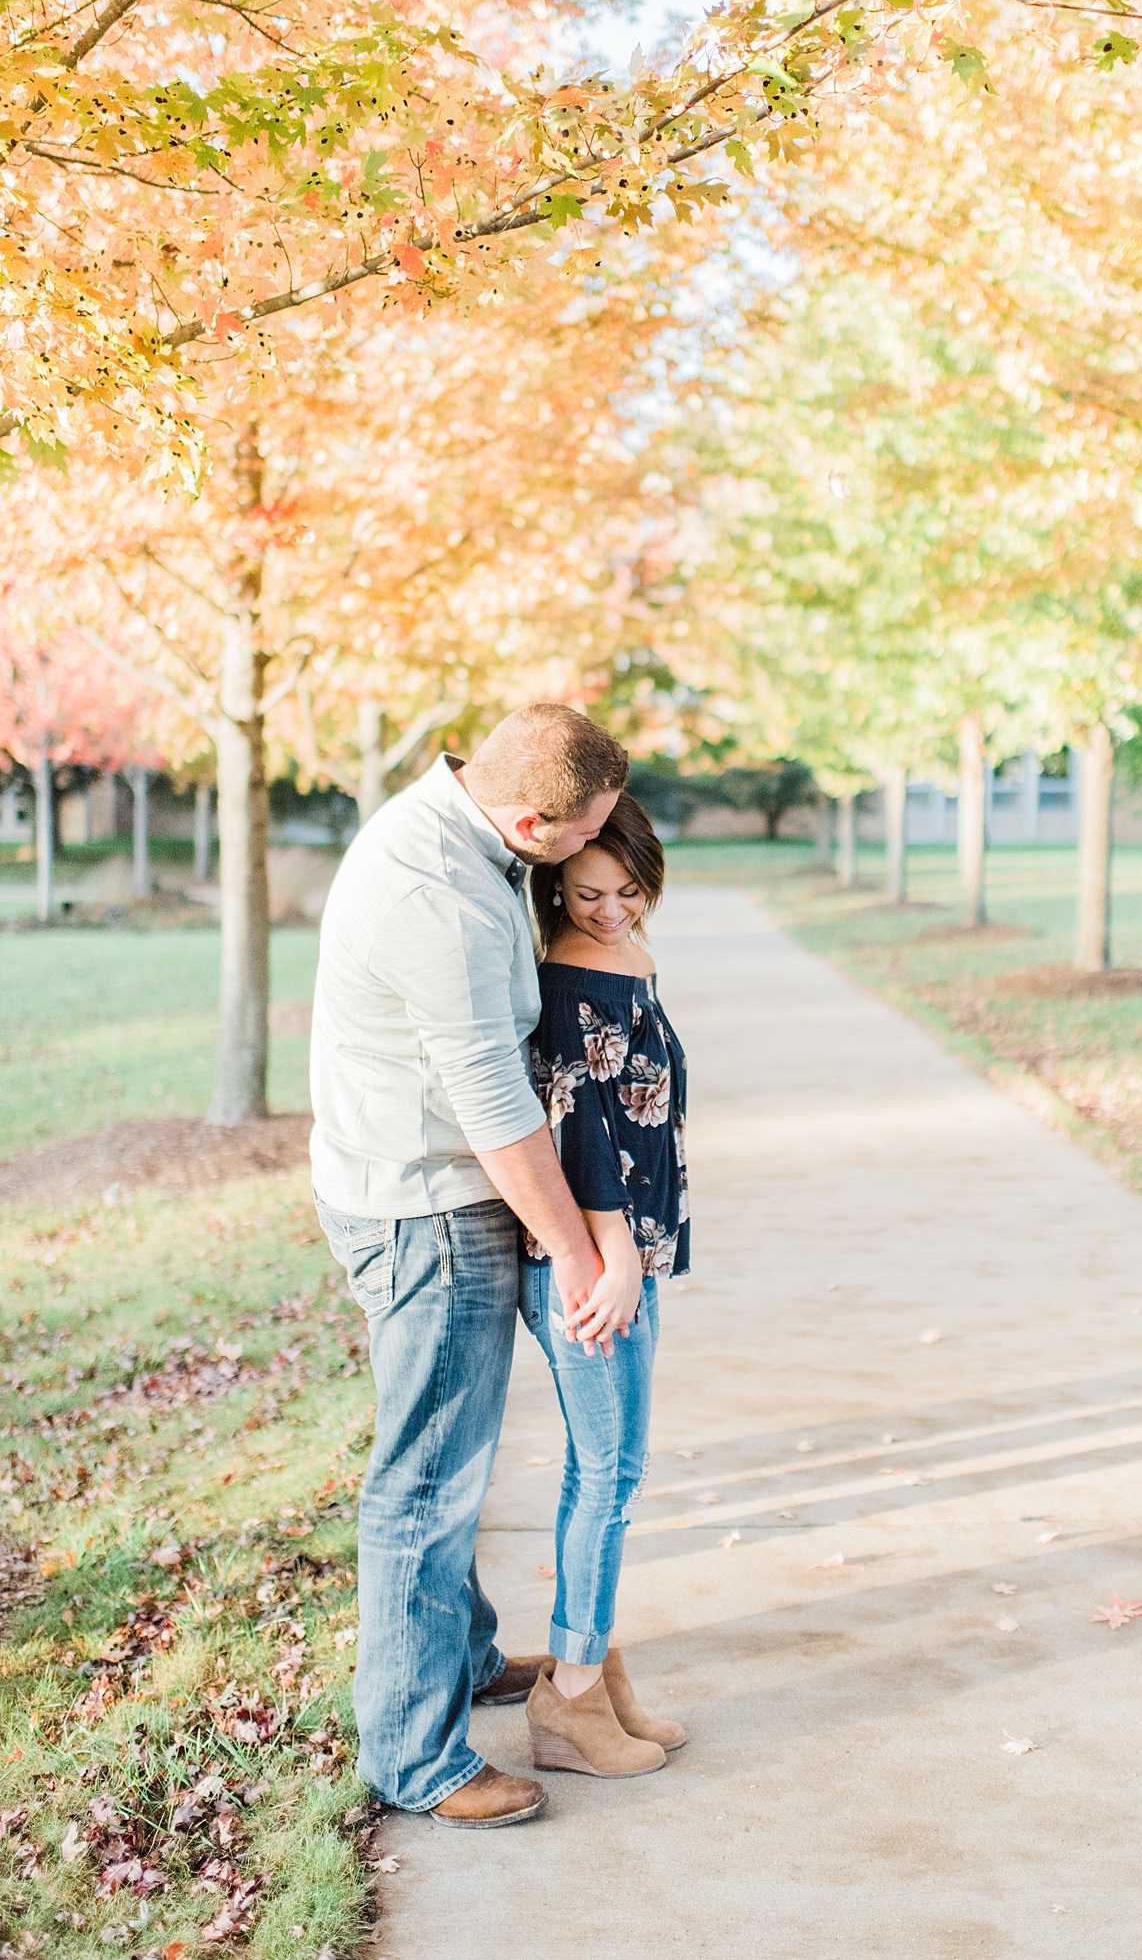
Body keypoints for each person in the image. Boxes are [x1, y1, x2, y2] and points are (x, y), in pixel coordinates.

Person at [309, 703, 631, 1831]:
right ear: (530, 817)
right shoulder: (432, 897)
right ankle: (415, 1758)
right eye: (584, 832)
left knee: (448, 1461)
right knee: (428, 1481)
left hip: (423, 1182)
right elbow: (493, 1106)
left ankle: (462, 1650)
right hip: (428, 1213)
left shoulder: (473, 828)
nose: (597, 846)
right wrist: (584, 1252)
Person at [519, 791, 690, 1777]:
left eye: (628, 891)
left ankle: (594, 1671)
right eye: (589, 893)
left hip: (629, 1252)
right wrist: (615, 1254)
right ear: (555, 885)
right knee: (606, 1475)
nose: (611, 909)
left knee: (614, 1471)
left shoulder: (626, 954)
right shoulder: (567, 976)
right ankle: (571, 1695)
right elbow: (578, 1122)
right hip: (590, 1261)